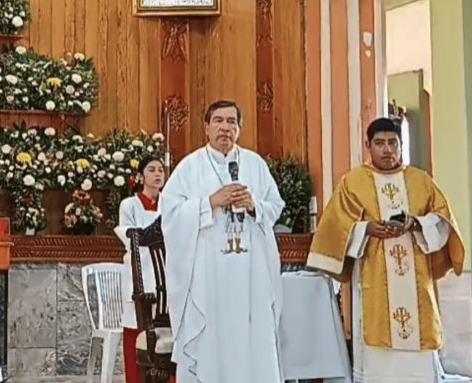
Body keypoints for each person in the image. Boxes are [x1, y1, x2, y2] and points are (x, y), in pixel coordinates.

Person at [307, 117, 466, 383]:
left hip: (416, 279)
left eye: (393, 143)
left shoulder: (420, 181)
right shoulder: (352, 182)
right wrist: (366, 229)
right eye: (379, 143)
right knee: (376, 351)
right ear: (368, 145)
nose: (387, 149)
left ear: (401, 145)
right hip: (373, 279)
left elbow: (443, 221)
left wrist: (415, 223)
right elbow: (334, 226)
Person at [159, 100, 285, 382]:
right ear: (206, 127)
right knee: (212, 338)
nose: (225, 127)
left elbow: (274, 206)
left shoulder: (254, 164)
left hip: (250, 273)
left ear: (239, 129)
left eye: (232, 122)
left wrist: (254, 205)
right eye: (218, 121)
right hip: (209, 275)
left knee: (253, 337)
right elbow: (169, 213)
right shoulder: (190, 167)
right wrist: (209, 203)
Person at [116, 156, 166, 383]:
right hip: (140, 274)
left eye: (161, 171)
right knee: (136, 330)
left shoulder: (170, 203)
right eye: (152, 170)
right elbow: (130, 237)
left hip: (166, 274)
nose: (158, 174)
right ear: (141, 176)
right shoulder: (130, 205)